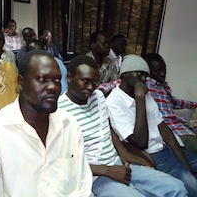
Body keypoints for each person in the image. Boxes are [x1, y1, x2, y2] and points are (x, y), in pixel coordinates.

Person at [0, 50, 93, 197]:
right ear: (20, 82)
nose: (53, 87)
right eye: (43, 79)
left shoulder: (69, 126)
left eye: (57, 80)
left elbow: (83, 186)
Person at [58, 55, 187, 197]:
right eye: (86, 81)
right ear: (69, 77)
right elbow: (65, 164)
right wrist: (108, 170)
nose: (90, 88)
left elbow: (107, 128)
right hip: (95, 176)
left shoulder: (98, 97)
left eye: (94, 83)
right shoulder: (59, 111)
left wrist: (124, 153)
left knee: (177, 187)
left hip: (118, 163)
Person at [106, 54, 197, 196]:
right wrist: (140, 99)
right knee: (192, 188)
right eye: (140, 74)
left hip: (166, 149)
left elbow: (164, 130)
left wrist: (185, 163)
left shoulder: (145, 93)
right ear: (126, 74)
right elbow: (140, 142)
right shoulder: (114, 102)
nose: (143, 79)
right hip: (152, 156)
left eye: (145, 76)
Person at [98, 53, 197, 155]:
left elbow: (174, 102)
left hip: (173, 133)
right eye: (157, 71)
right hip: (168, 135)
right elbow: (115, 84)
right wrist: (96, 94)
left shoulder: (161, 87)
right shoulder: (140, 85)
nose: (162, 74)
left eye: (164, 69)